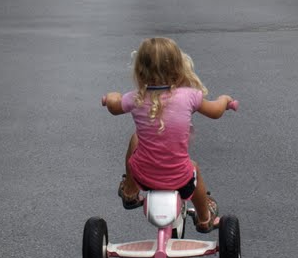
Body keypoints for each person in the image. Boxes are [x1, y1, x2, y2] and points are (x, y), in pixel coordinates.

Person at [101, 37, 236, 233]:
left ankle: (130, 191)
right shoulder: (190, 96)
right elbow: (215, 111)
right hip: (181, 180)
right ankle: (205, 217)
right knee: (193, 168)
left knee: (136, 138)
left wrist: (112, 97)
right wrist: (224, 100)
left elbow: (114, 107)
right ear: (178, 67)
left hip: (143, 177)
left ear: (140, 70)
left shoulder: (135, 98)